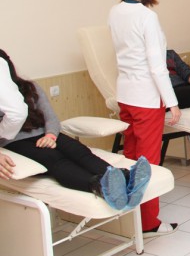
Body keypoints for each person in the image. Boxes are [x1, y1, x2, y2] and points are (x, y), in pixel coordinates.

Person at [0, 49, 151, 210]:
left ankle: (122, 177)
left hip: (45, 133)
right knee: (53, 158)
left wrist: (50, 135)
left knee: (78, 150)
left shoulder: (29, 87)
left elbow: (51, 118)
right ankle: (101, 186)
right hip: (13, 141)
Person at [109, 0, 179, 237]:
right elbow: (157, 66)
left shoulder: (115, 11)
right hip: (146, 98)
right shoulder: (146, 16)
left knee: (130, 156)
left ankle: (131, 216)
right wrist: (172, 102)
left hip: (125, 95)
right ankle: (149, 223)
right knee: (148, 163)